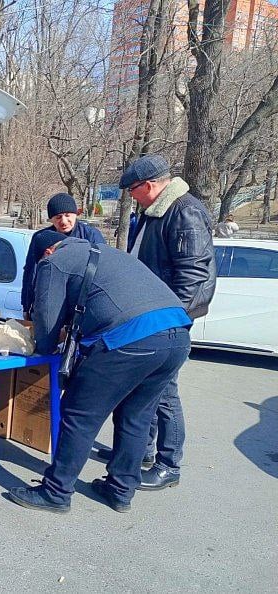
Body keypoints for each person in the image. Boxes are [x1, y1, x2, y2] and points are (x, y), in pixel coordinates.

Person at [5, 232, 192, 513]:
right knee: (136, 416)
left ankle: (56, 492)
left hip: (130, 339)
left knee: (79, 414)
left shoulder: (54, 261)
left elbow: (46, 314)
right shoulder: (109, 253)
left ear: (46, 252)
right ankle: (120, 490)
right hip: (177, 336)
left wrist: (42, 347)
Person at [100, 154, 216, 490]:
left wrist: (168, 319)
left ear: (148, 186)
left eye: (132, 191)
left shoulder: (184, 211)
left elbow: (193, 276)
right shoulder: (157, 211)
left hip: (167, 318)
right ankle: (142, 451)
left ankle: (169, 465)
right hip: (153, 313)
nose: (131, 197)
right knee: (144, 388)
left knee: (164, 393)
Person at [21, 193, 105, 318]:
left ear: (76, 214)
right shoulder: (41, 238)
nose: (64, 221)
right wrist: (27, 305)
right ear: (51, 219)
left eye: (67, 215)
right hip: (50, 299)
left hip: (81, 302)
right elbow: (31, 271)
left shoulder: (91, 236)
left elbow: (103, 270)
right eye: (58, 217)